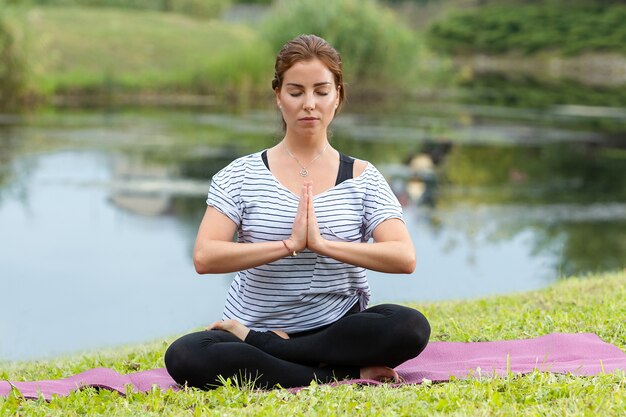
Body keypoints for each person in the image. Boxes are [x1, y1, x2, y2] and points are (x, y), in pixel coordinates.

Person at [164, 34, 430, 390]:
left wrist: (321, 244)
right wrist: (289, 243)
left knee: (409, 326)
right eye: (296, 92)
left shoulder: (363, 178)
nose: (309, 104)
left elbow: (403, 256)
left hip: (336, 330)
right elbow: (205, 256)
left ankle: (272, 350)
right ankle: (337, 373)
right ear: (278, 96)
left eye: (321, 92)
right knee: (186, 355)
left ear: (338, 97)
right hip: (252, 324)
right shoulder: (239, 175)